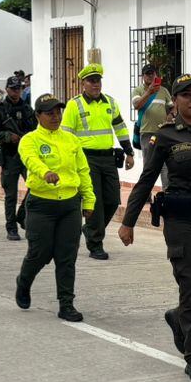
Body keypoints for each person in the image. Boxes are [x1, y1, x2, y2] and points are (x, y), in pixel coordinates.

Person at [118, 74, 191, 382]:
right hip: (181, 220)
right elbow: (147, 179)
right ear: (176, 101)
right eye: (187, 95)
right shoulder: (165, 136)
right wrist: (128, 222)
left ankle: (178, 317)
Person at [15, 93, 93, 321]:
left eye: (58, 112)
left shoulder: (71, 140)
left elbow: (83, 172)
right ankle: (24, 282)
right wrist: (45, 172)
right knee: (40, 253)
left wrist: (89, 200)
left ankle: (66, 304)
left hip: (69, 205)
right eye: (49, 113)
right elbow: (31, 159)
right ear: (38, 116)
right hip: (41, 205)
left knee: (67, 256)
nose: (55, 117)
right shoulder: (29, 140)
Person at [64, 63, 133, 260]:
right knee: (94, 201)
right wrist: (69, 160)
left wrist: (129, 152)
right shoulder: (74, 105)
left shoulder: (110, 103)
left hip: (108, 158)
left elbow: (120, 128)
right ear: (83, 83)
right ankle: (95, 244)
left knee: (112, 200)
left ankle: (91, 230)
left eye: (98, 81)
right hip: (86, 159)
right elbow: (66, 135)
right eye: (91, 81)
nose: (96, 84)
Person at [0, 74, 35, 240]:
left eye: (19, 88)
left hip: (27, 155)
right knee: (11, 195)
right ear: (7, 89)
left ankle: (22, 215)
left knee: (35, 187)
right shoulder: (0, 109)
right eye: (13, 89)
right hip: (10, 156)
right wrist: (7, 136)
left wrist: (27, 137)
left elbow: (36, 129)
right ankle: (11, 228)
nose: (16, 91)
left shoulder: (27, 108)